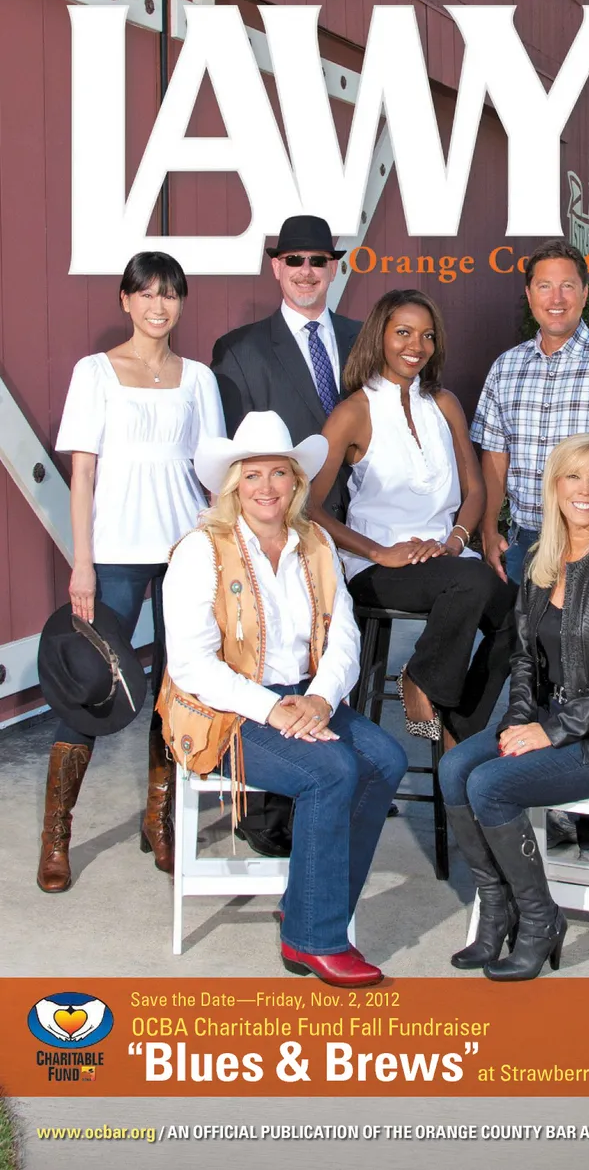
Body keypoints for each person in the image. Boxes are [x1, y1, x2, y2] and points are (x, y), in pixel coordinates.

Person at [160, 411, 406, 987]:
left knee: (387, 759)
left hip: (302, 695)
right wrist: (271, 708)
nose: (266, 487)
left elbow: (343, 636)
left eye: (278, 473)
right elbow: (192, 665)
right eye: (252, 475)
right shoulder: (201, 551)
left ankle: (307, 902)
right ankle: (312, 939)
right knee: (331, 771)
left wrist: (319, 700)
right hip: (222, 709)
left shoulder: (315, 543)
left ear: (296, 482)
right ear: (233, 485)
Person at [438, 435, 589, 981]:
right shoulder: (543, 558)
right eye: (573, 477)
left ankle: (541, 920)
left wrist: (551, 732)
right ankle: (497, 907)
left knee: (490, 785)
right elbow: (523, 657)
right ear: (554, 486)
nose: (585, 490)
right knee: (454, 768)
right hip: (551, 718)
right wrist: (522, 719)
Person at [39, 252, 224, 894]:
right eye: (145, 293)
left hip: (185, 553)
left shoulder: (199, 379)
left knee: (177, 686)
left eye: (169, 294)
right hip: (114, 551)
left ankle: (159, 820)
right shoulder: (94, 372)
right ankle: (56, 836)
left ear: (181, 302)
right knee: (90, 685)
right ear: (125, 300)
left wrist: (219, 550)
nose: (157, 305)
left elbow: (213, 475)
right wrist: (82, 563)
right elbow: (82, 475)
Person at [470, 238, 589, 862]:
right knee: (538, 665)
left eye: (567, 285)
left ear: (584, 292)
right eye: (544, 286)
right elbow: (494, 454)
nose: (556, 297)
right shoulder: (507, 367)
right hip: (530, 542)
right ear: (528, 295)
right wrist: (490, 525)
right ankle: (543, 801)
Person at [211, 214, 362, 858]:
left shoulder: (363, 339)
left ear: (334, 267)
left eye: (318, 260)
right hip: (278, 530)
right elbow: (239, 461)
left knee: (340, 652)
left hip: (359, 531)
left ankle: (339, 787)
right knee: (273, 652)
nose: (306, 271)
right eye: (293, 260)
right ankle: (272, 814)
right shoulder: (239, 350)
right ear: (276, 267)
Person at [310, 289, 516, 746]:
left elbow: (475, 489)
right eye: (403, 332)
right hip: (378, 569)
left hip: (446, 558)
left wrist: (456, 541)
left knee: (521, 614)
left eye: (427, 336)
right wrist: (379, 552)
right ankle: (422, 680)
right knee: (471, 582)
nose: (416, 346)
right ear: (379, 336)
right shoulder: (354, 411)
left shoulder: (444, 403)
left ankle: (456, 727)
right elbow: (308, 506)